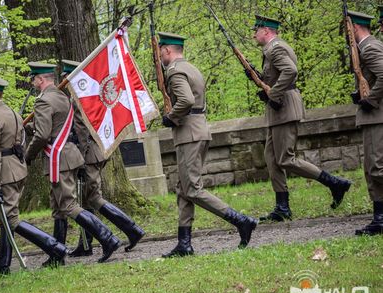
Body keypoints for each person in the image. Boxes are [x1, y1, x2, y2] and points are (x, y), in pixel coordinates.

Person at [158, 33, 258, 257]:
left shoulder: (175, 72)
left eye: (160, 51)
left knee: (192, 188)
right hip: (198, 130)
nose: (160, 56)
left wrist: (171, 116)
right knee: (184, 189)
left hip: (188, 134)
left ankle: (241, 221)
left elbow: (186, 100)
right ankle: (184, 244)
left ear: (167, 51)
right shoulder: (192, 68)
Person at [250, 15, 351, 222]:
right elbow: (276, 76)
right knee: (272, 159)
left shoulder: (275, 48)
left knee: (285, 158)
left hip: (284, 108)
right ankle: (282, 207)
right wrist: (258, 78)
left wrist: (273, 93)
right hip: (277, 110)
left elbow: (291, 71)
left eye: (256, 30)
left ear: (266, 31)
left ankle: (335, 183)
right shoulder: (270, 50)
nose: (253, 34)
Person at [25, 62, 121, 264]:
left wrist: (28, 155)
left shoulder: (42, 101)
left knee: (68, 205)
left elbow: (43, 135)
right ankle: (57, 255)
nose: (32, 83)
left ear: (41, 79)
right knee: (58, 207)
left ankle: (108, 238)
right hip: (68, 155)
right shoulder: (61, 97)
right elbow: (54, 125)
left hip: (58, 157)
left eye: (33, 79)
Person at [0, 72, 66, 274]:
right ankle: (3, 266)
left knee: (11, 219)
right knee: (6, 218)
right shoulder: (12, 113)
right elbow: (21, 142)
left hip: (5, 173)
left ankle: (54, 247)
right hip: (18, 169)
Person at [59, 59, 145, 257]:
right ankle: (86, 244)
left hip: (88, 156)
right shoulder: (86, 97)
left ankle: (132, 230)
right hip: (96, 153)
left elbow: (81, 133)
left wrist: (79, 159)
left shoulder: (78, 99)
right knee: (88, 199)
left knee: (94, 198)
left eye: (66, 77)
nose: (64, 80)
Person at [347, 11, 383, 236]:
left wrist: (370, 99)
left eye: (347, 27)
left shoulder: (369, 47)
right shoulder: (364, 48)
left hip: (377, 115)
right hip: (373, 116)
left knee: (377, 167)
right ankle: (380, 217)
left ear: (355, 28)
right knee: (371, 169)